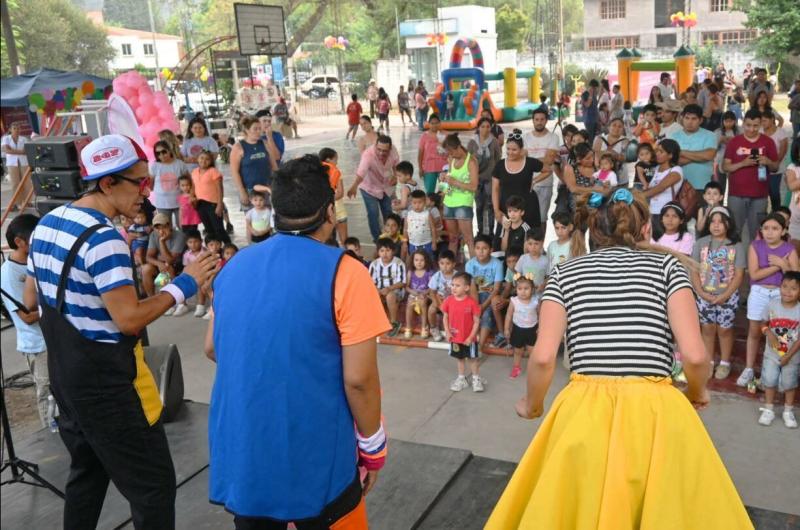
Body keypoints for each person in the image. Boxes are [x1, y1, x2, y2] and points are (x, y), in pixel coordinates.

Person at [485, 188, 752, 530]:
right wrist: (697, 393)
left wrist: (532, 403)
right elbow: (696, 356)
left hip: (584, 408)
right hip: (656, 411)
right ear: (645, 230)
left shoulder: (566, 274)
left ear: (593, 230)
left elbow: (542, 358)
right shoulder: (668, 266)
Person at [24, 134, 216, 529]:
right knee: (153, 487)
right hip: (107, 388)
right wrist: (184, 284)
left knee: (88, 475)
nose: (145, 195)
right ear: (107, 183)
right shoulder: (104, 238)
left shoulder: (47, 224)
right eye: (138, 183)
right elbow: (129, 319)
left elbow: (32, 297)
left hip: (67, 378)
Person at [205, 155, 388, 527]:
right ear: (328, 211)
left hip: (246, 446)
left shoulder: (236, 265)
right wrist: (373, 448)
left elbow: (212, 348)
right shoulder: (347, 272)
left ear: (276, 210)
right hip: (316, 451)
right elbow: (359, 379)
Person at [1, 214, 51, 429]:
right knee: (47, 390)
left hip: (54, 337)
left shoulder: (37, 261)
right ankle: (51, 428)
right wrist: (56, 306)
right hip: (38, 344)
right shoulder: (9, 273)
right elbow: (27, 317)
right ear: (20, 242)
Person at [739, 213, 799, 388]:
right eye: (766, 228)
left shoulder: (789, 249)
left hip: (781, 295)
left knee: (780, 333)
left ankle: (774, 370)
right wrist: (777, 266)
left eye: (775, 228)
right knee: (754, 331)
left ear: (783, 231)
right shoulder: (755, 246)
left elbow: (795, 278)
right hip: (759, 292)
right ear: (761, 230)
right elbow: (755, 274)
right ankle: (749, 368)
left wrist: (784, 264)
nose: (770, 232)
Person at [692, 206, 745, 381]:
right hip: (704, 295)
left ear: (728, 224)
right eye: (713, 221)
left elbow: (738, 275)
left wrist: (725, 295)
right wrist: (701, 292)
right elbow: (694, 271)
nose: (716, 225)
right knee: (707, 329)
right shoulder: (701, 243)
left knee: (724, 330)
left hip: (727, 296)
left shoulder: (736, 245)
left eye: (721, 222)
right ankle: (709, 362)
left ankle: (724, 362)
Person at [724, 109, 780, 242]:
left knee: (757, 232)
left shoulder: (768, 142)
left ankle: (755, 261)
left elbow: (775, 167)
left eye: (756, 126)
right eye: (748, 125)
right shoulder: (734, 142)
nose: (752, 129)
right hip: (736, 194)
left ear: (761, 124)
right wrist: (743, 163)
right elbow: (725, 167)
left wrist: (768, 161)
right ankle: (735, 261)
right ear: (743, 123)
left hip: (760, 195)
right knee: (734, 230)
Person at [757, 271, 800, 428]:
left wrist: (789, 355)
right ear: (779, 287)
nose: (788, 291)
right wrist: (768, 333)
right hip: (771, 353)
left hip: (792, 356)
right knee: (769, 379)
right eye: (784, 286)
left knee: (789, 382)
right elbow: (763, 323)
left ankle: (788, 411)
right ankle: (769, 409)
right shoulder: (772, 304)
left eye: (793, 288)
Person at [493, 131, 543, 243]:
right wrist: (496, 210)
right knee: (503, 240)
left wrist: (535, 181)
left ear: (521, 150)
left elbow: (548, 170)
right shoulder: (500, 165)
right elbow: (495, 189)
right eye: (508, 149)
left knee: (529, 240)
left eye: (514, 149)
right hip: (507, 209)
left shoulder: (530, 162)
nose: (510, 152)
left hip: (528, 208)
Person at [348, 134, 399, 242]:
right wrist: (354, 186)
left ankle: (391, 236)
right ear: (375, 146)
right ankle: (378, 239)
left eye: (384, 151)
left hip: (385, 186)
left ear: (390, 149)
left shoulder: (393, 150)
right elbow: (361, 172)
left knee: (388, 212)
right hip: (368, 187)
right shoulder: (368, 155)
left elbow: (396, 165)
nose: (381, 153)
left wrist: (395, 176)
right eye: (379, 149)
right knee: (373, 212)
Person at [442, 272, 483, 392]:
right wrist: (447, 332)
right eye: (452, 285)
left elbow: (476, 321)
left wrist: (471, 337)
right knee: (460, 359)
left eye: (457, 285)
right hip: (455, 338)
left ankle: (476, 379)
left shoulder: (472, 303)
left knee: (472, 359)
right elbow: (445, 317)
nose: (453, 288)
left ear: (466, 288)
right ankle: (461, 379)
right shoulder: (448, 301)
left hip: (468, 339)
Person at [230, 115, 279, 212]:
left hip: (266, 188)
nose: (259, 132)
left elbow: (274, 165)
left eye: (260, 129)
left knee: (268, 220)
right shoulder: (238, 147)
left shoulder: (263, 143)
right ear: (247, 130)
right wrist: (242, 191)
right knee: (252, 221)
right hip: (250, 191)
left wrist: (278, 184)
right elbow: (234, 172)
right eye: (255, 129)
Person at [441, 133, 479, 257]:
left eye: (451, 152)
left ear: (458, 147)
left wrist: (455, 182)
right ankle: (450, 268)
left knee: (468, 239)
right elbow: (450, 179)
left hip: (463, 203)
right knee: (452, 238)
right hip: (449, 201)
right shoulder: (451, 159)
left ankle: (474, 269)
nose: (450, 155)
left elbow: (474, 186)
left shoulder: (471, 162)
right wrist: (444, 179)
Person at [523, 107, 560, 226]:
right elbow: (521, 158)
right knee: (525, 218)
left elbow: (549, 160)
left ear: (546, 120)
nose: (539, 122)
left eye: (542, 119)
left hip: (545, 184)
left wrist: (529, 162)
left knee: (542, 219)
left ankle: (541, 244)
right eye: (537, 119)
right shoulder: (525, 137)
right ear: (533, 120)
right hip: (527, 183)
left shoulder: (553, 137)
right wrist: (538, 161)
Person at [466, 235, 504, 349]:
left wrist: (483, 306)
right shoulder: (470, 264)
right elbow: (471, 287)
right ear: (474, 249)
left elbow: (497, 288)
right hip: (474, 295)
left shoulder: (497, 264)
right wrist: (476, 306)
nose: (481, 251)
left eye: (484, 248)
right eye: (477, 248)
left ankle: (480, 346)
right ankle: (469, 338)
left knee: (486, 314)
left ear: (491, 250)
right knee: (471, 313)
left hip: (490, 295)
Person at [141, 212, 189, 301]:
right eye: (157, 228)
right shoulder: (153, 235)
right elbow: (148, 257)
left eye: (164, 227)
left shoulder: (179, 236)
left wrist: (162, 241)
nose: (161, 231)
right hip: (162, 264)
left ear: (169, 225)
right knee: (146, 269)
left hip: (176, 265)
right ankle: (152, 300)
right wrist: (159, 263)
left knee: (168, 268)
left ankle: (179, 301)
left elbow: (170, 260)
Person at [670, 104, 717, 195]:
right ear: (682, 118)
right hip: (678, 186)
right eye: (687, 118)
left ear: (701, 120)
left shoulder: (710, 135)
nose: (689, 122)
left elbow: (709, 155)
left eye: (694, 119)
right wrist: (699, 157)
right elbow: (673, 161)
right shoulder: (674, 136)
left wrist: (681, 152)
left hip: (703, 186)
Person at [469, 117, 503, 236]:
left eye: (488, 126)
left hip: (490, 179)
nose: (485, 129)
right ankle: (480, 231)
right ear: (478, 128)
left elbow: (498, 159)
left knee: (490, 206)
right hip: (476, 180)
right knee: (478, 206)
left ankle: (491, 232)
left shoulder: (494, 142)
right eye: (482, 126)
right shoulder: (472, 142)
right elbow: (468, 161)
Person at [643, 139, 684, 239]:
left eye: (661, 152)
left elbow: (660, 188)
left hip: (666, 214)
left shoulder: (676, 170)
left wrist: (638, 195)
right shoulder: (657, 169)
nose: (657, 154)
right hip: (652, 212)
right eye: (657, 151)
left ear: (670, 155)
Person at [369, 237, 406, 337]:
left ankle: (394, 323)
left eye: (388, 250)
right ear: (378, 252)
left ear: (393, 251)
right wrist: (378, 291)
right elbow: (371, 282)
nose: (385, 253)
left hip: (395, 291)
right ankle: (377, 322)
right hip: (380, 290)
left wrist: (389, 289)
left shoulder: (399, 263)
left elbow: (402, 282)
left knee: (390, 296)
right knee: (373, 295)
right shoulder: (374, 264)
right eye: (382, 251)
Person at [504, 275, 539, 380]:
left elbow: (541, 314)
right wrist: (506, 328)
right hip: (518, 329)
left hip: (532, 329)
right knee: (518, 351)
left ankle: (533, 369)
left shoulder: (536, 301)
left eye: (526, 289)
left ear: (532, 289)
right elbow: (509, 315)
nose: (523, 292)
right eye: (520, 289)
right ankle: (516, 367)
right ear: (516, 289)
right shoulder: (514, 301)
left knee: (532, 351)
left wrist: (540, 327)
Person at [192, 150, 230, 244]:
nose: (204, 160)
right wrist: (192, 198)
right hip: (200, 204)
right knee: (209, 229)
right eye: (201, 158)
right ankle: (215, 249)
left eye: (207, 159)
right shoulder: (194, 171)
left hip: (213, 204)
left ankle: (229, 247)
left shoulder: (213, 171)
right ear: (197, 159)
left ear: (211, 161)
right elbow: (193, 186)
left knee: (219, 229)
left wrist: (220, 205)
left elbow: (220, 189)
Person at [150, 141, 189, 228]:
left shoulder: (180, 164)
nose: (161, 155)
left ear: (169, 150)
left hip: (180, 202)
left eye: (164, 151)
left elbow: (188, 180)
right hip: (162, 204)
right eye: (158, 153)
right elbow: (151, 185)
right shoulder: (155, 166)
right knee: (166, 228)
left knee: (183, 227)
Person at [762, 109, 790, 213]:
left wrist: (774, 163)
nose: (762, 123)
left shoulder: (781, 132)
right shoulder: (760, 131)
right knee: (763, 192)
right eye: (761, 121)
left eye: (765, 120)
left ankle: (776, 212)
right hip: (761, 168)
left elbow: (783, 150)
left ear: (772, 119)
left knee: (774, 192)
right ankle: (762, 213)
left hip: (776, 168)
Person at [320, 147, 348, 245]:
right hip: (338, 211)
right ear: (328, 160)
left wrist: (324, 200)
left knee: (328, 241)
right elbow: (340, 193)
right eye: (335, 159)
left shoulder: (317, 175)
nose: (337, 162)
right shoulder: (336, 173)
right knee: (343, 240)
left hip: (326, 212)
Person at [428, 250, 457, 342]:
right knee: (431, 309)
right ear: (438, 264)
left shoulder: (458, 276)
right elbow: (432, 292)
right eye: (442, 263)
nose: (444, 266)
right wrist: (437, 304)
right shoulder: (436, 276)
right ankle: (433, 328)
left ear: (454, 264)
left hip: (454, 301)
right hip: (439, 300)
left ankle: (455, 330)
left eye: (448, 263)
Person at [404, 249, 434, 339]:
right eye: (416, 260)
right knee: (409, 304)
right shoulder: (410, 272)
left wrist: (425, 293)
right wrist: (413, 292)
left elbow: (431, 287)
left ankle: (424, 327)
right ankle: (408, 327)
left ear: (426, 261)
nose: (419, 263)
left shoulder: (429, 273)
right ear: (412, 261)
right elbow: (406, 287)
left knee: (422, 302)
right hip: (413, 293)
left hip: (425, 294)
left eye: (422, 260)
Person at [2, 122, 31, 211]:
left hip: (24, 163)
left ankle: (27, 201)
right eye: (14, 128)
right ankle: (18, 203)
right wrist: (20, 152)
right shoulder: (6, 138)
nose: (17, 130)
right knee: (15, 183)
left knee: (26, 183)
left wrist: (13, 151)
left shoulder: (24, 139)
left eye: (18, 128)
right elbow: (6, 150)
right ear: (10, 129)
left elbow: (26, 151)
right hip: (12, 164)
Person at [182, 229, 210, 317]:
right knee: (181, 281)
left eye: (196, 241)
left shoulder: (205, 252)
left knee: (201, 283)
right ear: (187, 243)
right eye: (190, 242)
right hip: (193, 275)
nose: (193, 245)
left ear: (201, 241)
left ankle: (201, 305)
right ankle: (182, 305)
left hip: (206, 275)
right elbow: (186, 267)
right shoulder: (187, 255)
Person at [418, 114, 449, 193]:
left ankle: (442, 205)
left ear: (440, 123)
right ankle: (431, 205)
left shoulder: (446, 135)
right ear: (429, 124)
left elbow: (452, 151)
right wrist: (420, 168)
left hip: (444, 168)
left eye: (436, 123)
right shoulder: (424, 136)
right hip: (429, 168)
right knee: (429, 191)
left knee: (444, 191)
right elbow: (420, 153)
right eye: (432, 123)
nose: (434, 125)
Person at [404, 189, 437, 259]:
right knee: (414, 262)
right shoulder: (408, 214)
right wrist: (404, 243)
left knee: (429, 261)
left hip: (427, 244)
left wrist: (434, 242)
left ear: (425, 202)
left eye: (420, 202)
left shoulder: (427, 214)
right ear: (411, 203)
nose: (417, 205)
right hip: (413, 244)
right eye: (414, 203)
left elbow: (433, 229)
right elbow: (405, 229)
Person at [592, 118, 627, 183]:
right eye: (614, 125)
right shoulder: (599, 139)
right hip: (601, 169)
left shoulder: (625, 141)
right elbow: (595, 157)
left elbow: (626, 158)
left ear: (623, 129)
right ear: (608, 127)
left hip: (619, 171)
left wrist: (615, 155)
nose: (616, 128)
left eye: (620, 126)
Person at [714, 111, 738, 196]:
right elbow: (713, 150)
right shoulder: (718, 132)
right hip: (720, 161)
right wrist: (720, 140)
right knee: (720, 186)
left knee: (734, 185)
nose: (728, 123)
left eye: (730, 121)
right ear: (722, 121)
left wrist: (733, 141)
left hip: (734, 162)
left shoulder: (738, 132)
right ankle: (719, 205)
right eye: (726, 121)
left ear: (734, 121)